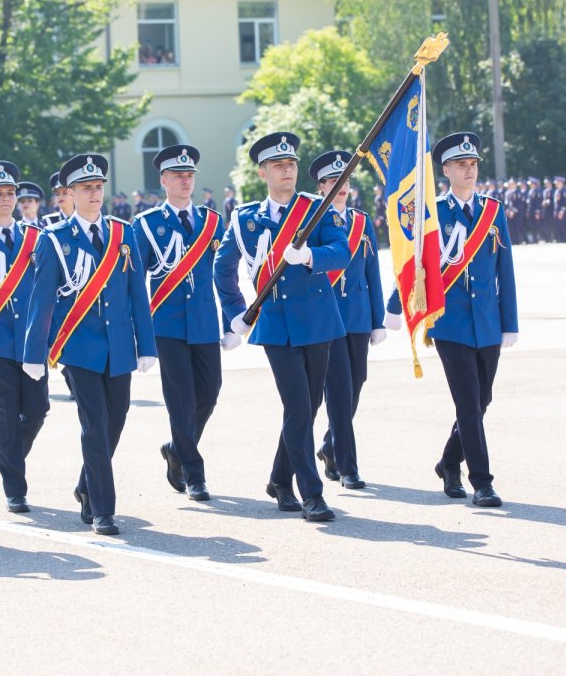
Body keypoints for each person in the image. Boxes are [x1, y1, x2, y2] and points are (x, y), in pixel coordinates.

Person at [213, 131, 349, 522]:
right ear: (262, 172)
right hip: (275, 324)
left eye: (290, 164)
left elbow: (342, 249)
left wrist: (310, 256)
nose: (287, 170)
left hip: (318, 322)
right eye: (278, 165)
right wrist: (236, 311)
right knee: (297, 405)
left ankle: (278, 478)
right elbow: (223, 271)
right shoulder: (245, 220)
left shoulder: (315, 208)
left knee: (309, 406)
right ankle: (312, 495)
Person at [23, 153, 157, 536]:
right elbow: (42, 300)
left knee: (117, 419)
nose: (95, 194)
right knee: (94, 426)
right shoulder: (54, 241)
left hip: (118, 346)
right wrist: (35, 353)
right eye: (86, 188)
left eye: (98, 187)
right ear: (71, 193)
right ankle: (103, 509)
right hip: (79, 348)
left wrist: (145, 344)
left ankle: (85, 486)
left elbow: (136, 293)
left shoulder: (122, 233)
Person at [387, 132, 517, 508]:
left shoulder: (492, 211)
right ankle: (482, 482)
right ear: (446, 170)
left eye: (473, 164)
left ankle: (447, 462)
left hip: (488, 322)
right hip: (450, 323)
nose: (470, 170)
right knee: (468, 404)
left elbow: (503, 269)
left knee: (483, 399)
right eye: (462, 165)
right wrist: (396, 306)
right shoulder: (432, 213)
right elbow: (414, 264)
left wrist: (510, 322)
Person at [133, 143, 225, 501]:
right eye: (178, 175)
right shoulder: (146, 224)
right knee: (181, 400)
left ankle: (176, 447)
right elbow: (136, 283)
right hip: (167, 324)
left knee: (210, 394)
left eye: (189, 175)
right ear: (164, 180)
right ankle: (193, 472)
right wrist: (140, 335)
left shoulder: (212, 222)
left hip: (203, 321)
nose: (186, 181)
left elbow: (222, 273)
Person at [0, 160, 49, 513]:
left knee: (37, 411)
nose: (6, 199)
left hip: (33, 342)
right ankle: (14, 486)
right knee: (5, 413)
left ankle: (9, 456)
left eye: (10, 193)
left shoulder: (36, 238)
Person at [308, 150, 386, 490]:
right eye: (334, 182)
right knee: (338, 389)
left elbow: (372, 270)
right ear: (322, 187)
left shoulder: (361, 221)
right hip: (327, 317)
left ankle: (329, 445)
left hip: (357, 316)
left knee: (356, 384)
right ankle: (347, 465)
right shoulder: (312, 221)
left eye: (346, 181)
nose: (342, 187)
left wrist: (378, 318)